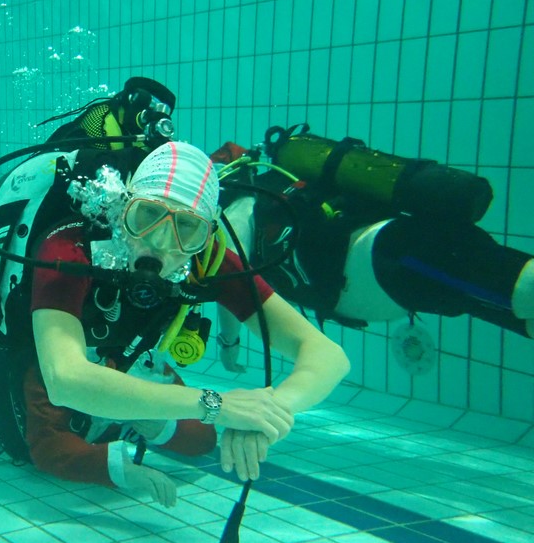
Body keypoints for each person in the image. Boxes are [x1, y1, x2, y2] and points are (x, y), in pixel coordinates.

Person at [0, 129, 350, 484]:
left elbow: (327, 356)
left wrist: (269, 413)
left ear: (206, 234)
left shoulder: (209, 258)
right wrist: (220, 405)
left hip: (44, 293)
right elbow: (66, 380)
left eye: (184, 229)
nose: (160, 244)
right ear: (122, 206)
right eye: (146, 217)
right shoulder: (68, 246)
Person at [209, 129, 534, 372]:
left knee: (493, 291)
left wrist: (229, 345)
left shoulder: (237, 212)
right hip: (387, 251)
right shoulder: (276, 186)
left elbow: (231, 278)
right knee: (495, 284)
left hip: (377, 266)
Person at [0, 316, 216, 507]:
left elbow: (203, 439)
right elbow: (48, 448)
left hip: (91, 427)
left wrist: (158, 424)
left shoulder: (147, 362)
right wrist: (121, 471)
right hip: (1, 404)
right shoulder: (59, 363)